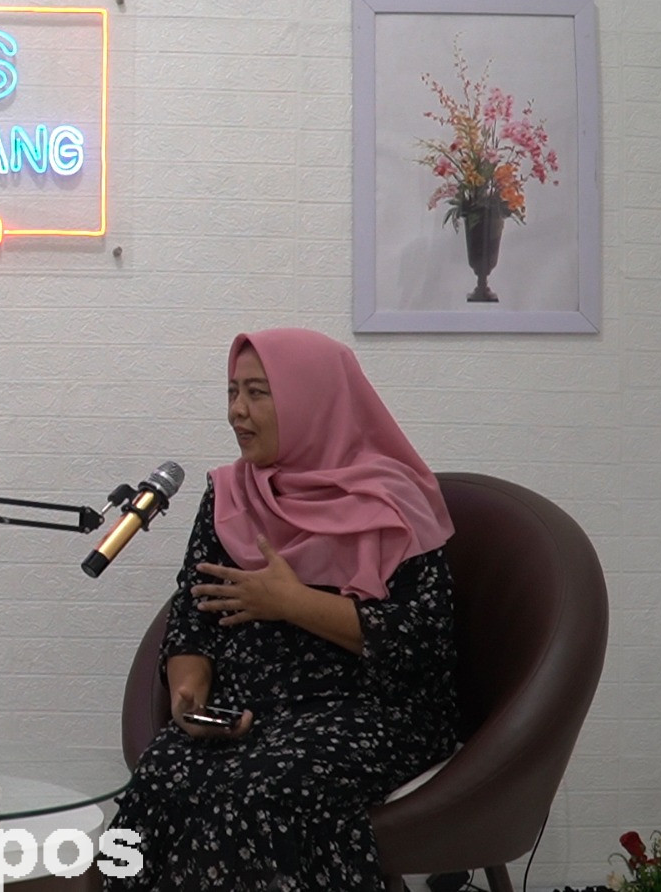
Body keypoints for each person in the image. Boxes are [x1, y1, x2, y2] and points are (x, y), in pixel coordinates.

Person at [106, 328, 460, 891]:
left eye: (257, 393)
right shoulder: (230, 495)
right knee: (161, 778)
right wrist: (189, 695)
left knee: (261, 792)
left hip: (366, 711)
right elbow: (193, 615)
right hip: (250, 712)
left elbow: (423, 641)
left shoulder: (393, 503)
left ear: (313, 400)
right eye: (232, 392)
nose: (236, 411)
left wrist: (292, 603)